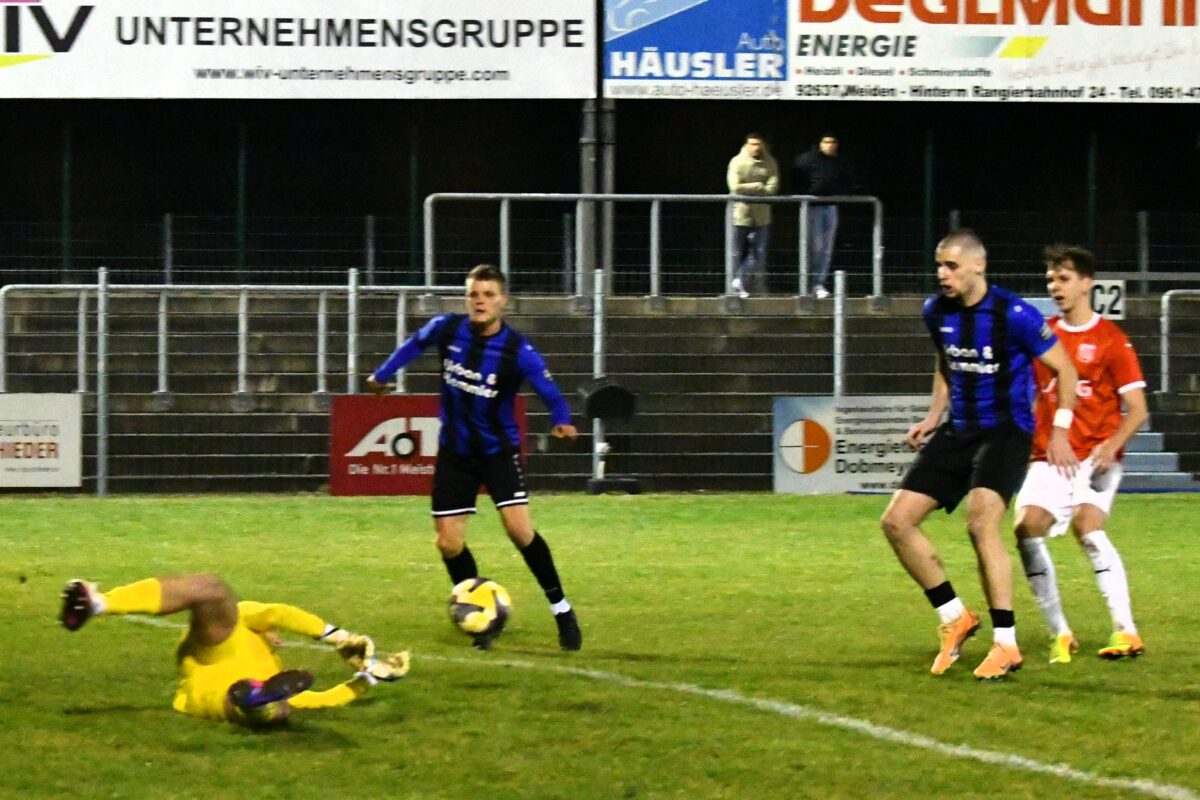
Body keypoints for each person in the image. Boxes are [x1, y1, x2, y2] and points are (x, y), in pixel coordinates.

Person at [879, 229, 1079, 680]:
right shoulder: (936, 311)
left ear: (977, 266)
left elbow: (1065, 369)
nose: (942, 274)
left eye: (951, 265)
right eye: (939, 265)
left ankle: (1006, 643)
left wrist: (1061, 431)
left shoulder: (1014, 314)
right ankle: (954, 616)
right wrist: (934, 415)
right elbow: (945, 361)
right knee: (896, 521)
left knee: (981, 520)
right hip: (959, 430)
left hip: (1006, 431)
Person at [367, 264, 582, 651]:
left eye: (488, 295)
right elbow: (413, 345)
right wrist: (383, 374)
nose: (480, 301)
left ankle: (562, 611)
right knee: (448, 544)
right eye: (473, 295)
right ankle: (479, 615)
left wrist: (561, 420)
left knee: (519, 531)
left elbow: (550, 391)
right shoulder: (447, 329)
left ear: (503, 301)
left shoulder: (517, 350)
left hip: (498, 452)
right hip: (456, 452)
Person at [1013, 245, 1148, 664]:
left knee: (1088, 527)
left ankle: (1126, 631)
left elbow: (1138, 409)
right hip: (1050, 455)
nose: (1055, 287)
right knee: (1026, 528)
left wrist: (1111, 446)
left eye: (1064, 278)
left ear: (1086, 283)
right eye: (1050, 280)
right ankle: (1061, 633)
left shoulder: (1111, 339)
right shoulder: (1043, 337)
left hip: (1095, 454)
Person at [58, 575, 408, 727]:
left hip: (206, 687)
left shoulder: (274, 670)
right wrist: (344, 644)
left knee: (264, 704)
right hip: (214, 656)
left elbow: (320, 699)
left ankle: (257, 702)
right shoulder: (244, 621)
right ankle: (97, 603)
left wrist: (369, 676)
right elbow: (277, 614)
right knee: (211, 588)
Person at [792, 133, 855, 299]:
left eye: (833, 142)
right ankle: (807, 284)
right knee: (815, 246)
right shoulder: (807, 160)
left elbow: (847, 180)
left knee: (826, 248)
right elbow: (797, 180)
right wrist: (807, 194)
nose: (830, 145)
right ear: (820, 143)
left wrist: (840, 194)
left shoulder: (840, 162)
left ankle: (818, 283)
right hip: (813, 207)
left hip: (831, 207)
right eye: (826, 142)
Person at [726, 132, 779, 299]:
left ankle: (741, 281)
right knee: (735, 252)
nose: (756, 147)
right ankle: (734, 286)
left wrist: (755, 188)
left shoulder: (770, 162)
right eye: (753, 144)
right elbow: (735, 187)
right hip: (740, 213)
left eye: (758, 144)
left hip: (762, 215)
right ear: (747, 144)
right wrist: (757, 186)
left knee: (758, 252)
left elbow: (772, 187)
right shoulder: (737, 161)